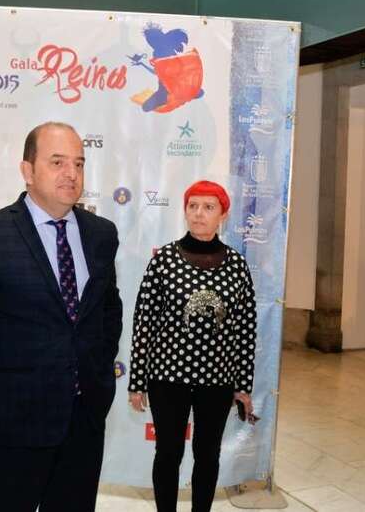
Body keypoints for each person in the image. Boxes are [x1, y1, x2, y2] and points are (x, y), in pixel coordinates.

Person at [0, 122, 122, 512]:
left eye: (78, 163)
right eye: (57, 162)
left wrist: (96, 371)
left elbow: (108, 310)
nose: (71, 173)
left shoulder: (101, 234)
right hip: (15, 423)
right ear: (27, 170)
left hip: (84, 419)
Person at [128, 180, 257, 512]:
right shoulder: (164, 260)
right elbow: (144, 323)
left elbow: (245, 330)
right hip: (167, 378)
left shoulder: (237, 265)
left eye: (208, 207)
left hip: (217, 380)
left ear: (223, 215)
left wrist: (243, 385)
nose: (199, 214)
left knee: (208, 454)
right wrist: (137, 381)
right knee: (168, 453)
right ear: (185, 211)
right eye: (193, 206)